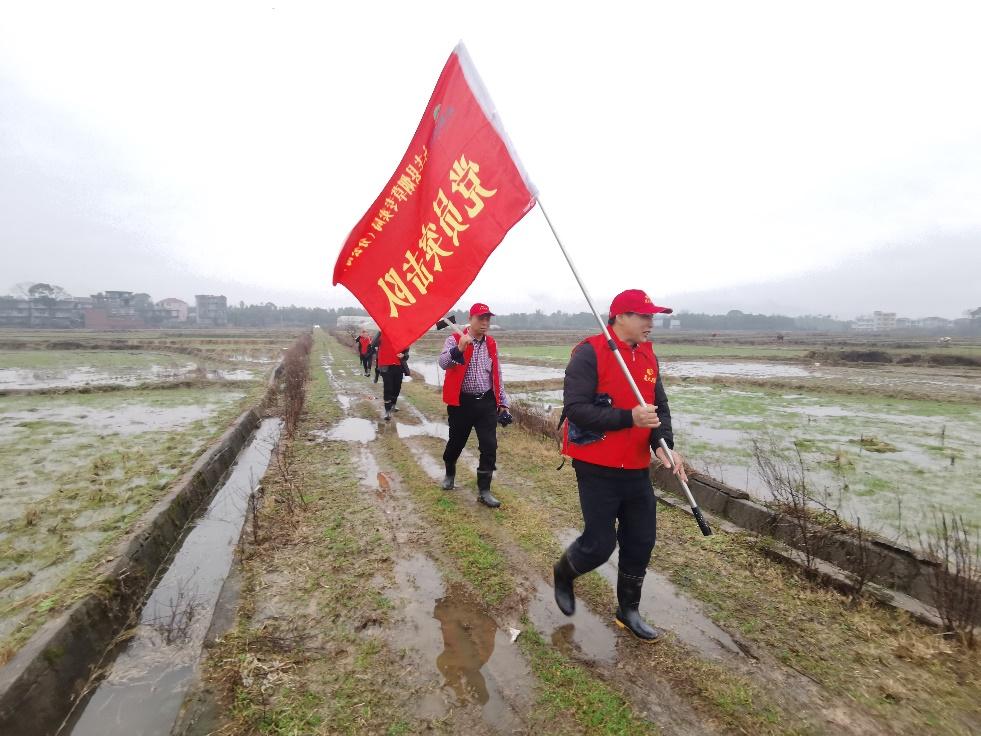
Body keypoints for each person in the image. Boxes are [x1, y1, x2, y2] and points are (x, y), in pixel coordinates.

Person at [551, 289, 688, 642]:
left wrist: (664, 445)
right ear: (620, 317)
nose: (651, 323)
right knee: (599, 544)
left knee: (641, 540)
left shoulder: (647, 354)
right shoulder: (589, 353)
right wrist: (628, 417)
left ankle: (628, 610)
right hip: (596, 464)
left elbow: (659, 406)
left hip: (636, 466)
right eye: (644, 316)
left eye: (652, 316)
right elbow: (577, 409)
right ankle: (564, 572)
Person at [437, 303, 511, 508]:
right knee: (456, 443)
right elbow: (443, 363)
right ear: (471, 320)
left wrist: (503, 402)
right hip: (461, 403)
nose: (485, 322)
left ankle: (484, 490)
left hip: (486, 403)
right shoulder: (454, 339)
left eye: (488, 319)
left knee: (489, 446)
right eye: (481, 318)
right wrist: (460, 347)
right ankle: (450, 473)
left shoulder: (492, 344)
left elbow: (497, 374)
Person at [371, 330, 410, 421]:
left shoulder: (403, 337)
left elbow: (407, 354)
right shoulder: (382, 334)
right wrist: (380, 331)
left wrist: (403, 355)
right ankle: (387, 411)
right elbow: (373, 344)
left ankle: (393, 405)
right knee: (388, 388)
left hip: (399, 367)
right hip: (386, 367)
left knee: (397, 388)